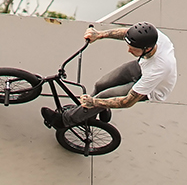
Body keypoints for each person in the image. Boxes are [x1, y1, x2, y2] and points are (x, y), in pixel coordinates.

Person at [49, 22, 179, 129]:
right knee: (101, 84)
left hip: (151, 88)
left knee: (103, 97)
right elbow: (125, 33)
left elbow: (127, 102)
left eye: (133, 49)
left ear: (147, 49)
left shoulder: (159, 68)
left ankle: (64, 121)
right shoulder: (153, 36)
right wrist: (99, 35)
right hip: (140, 66)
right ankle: (95, 112)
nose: (129, 50)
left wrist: (94, 102)